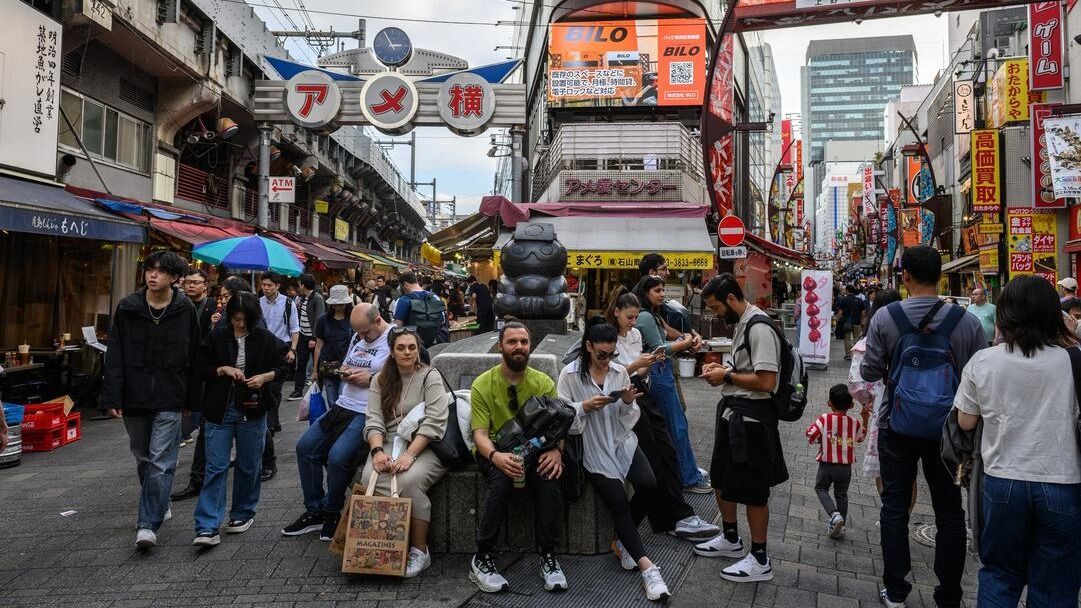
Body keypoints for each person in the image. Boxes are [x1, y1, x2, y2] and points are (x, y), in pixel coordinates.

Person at [860, 245, 986, 608]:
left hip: (896, 426)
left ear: (905, 277)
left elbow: (869, 371)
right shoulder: (967, 322)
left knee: (894, 506)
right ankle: (949, 595)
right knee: (949, 512)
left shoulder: (886, 317)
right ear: (942, 277)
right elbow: (977, 376)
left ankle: (896, 591)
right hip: (949, 431)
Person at [953, 275, 1081, 607]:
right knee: (1055, 585)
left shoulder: (985, 360)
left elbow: (965, 421)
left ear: (1004, 314)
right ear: (1054, 314)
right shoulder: (1074, 361)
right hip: (1063, 482)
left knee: (999, 576)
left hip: (1002, 480)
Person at [556, 318, 671, 601]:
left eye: (612, 354)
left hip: (621, 440)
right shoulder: (570, 375)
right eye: (602, 355)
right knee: (618, 500)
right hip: (593, 447)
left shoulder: (619, 372)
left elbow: (627, 418)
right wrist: (583, 407)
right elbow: (561, 416)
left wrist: (629, 402)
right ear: (588, 347)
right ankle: (648, 567)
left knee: (648, 483)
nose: (607, 361)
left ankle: (623, 540)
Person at [102, 250, 200, 549]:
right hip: (135, 394)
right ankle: (158, 502)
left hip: (171, 395)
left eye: (159, 271)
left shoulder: (185, 310)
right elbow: (115, 354)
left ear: (174, 277)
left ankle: (147, 524)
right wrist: (112, 395)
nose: (152, 275)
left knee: (161, 460)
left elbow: (194, 356)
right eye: (149, 270)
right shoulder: (128, 308)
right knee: (143, 457)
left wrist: (192, 399)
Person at [694, 274, 789, 583]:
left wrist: (727, 377)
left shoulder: (759, 327)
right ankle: (731, 538)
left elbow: (766, 381)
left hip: (752, 418)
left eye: (716, 307)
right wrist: (725, 371)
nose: (714, 313)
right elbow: (747, 370)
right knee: (721, 478)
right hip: (734, 411)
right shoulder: (743, 324)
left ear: (732, 300)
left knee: (753, 491)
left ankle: (760, 558)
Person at [605, 289, 719, 541]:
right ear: (616, 312)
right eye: (629, 317)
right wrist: (637, 365)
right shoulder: (608, 336)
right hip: (622, 398)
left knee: (667, 446)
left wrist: (651, 361)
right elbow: (609, 372)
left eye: (635, 317)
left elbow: (639, 367)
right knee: (653, 455)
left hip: (642, 389)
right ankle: (669, 518)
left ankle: (680, 514)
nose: (633, 322)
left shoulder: (635, 334)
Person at [468, 321, 566, 594]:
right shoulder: (483, 384)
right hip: (495, 450)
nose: (519, 347)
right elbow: (480, 434)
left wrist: (556, 451)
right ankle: (482, 556)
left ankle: (548, 556)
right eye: (512, 342)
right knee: (501, 481)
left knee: (550, 476)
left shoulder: (543, 381)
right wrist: (496, 456)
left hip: (536, 450)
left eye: (523, 341)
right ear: (501, 346)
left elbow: (557, 426)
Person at [283, 303, 392, 541]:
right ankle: (315, 510)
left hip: (366, 411)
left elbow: (410, 370)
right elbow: (345, 364)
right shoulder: (357, 337)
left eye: (365, 333)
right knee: (306, 447)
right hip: (342, 405)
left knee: (338, 457)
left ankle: (332, 511)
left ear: (377, 321)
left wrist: (372, 378)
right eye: (358, 333)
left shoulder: (394, 337)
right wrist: (345, 372)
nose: (362, 337)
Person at [192, 292, 289, 547]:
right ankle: (207, 525)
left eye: (245, 319)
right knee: (216, 466)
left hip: (253, 408)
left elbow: (285, 365)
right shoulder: (217, 337)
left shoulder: (265, 339)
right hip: (219, 409)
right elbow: (200, 368)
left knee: (248, 463)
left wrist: (265, 377)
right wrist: (222, 370)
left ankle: (243, 512)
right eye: (236, 319)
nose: (241, 324)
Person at [360, 327, 450, 578]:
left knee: (408, 482)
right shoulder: (380, 379)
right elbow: (374, 419)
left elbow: (435, 422)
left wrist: (410, 455)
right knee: (370, 478)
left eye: (412, 347)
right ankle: (384, 547)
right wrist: (377, 451)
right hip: (388, 441)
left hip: (425, 444)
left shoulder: (430, 376)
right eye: (401, 347)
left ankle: (419, 551)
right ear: (391, 351)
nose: (407, 352)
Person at [172, 277, 257, 502]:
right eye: (222, 296)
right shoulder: (217, 321)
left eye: (227, 296)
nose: (223, 300)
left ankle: (241, 503)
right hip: (216, 394)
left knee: (248, 452)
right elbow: (204, 357)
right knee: (214, 450)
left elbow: (272, 357)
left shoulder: (249, 325)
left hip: (241, 395)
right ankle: (202, 493)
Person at [631, 276, 709, 494]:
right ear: (646, 293)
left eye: (663, 289)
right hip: (658, 372)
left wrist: (688, 336)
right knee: (676, 425)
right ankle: (687, 477)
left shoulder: (653, 315)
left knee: (674, 424)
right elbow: (659, 348)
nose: (662, 294)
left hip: (658, 372)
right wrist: (684, 343)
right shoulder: (646, 316)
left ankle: (686, 471)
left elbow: (667, 333)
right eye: (657, 290)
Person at [806, 384, 865, 540]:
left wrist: (820, 438)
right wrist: (865, 418)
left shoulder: (824, 419)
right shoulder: (854, 423)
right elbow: (861, 437)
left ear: (829, 403)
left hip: (827, 465)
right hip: (845, 468)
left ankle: (834, 515)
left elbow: (810, 434)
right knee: (841, 495)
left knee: (821, 488)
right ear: (851, 405)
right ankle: (841, 525)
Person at [258, 272, 299, 481]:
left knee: (275, 389)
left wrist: (292, 349)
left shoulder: (288, 304)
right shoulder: (257, 304)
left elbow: (294, 328)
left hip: (281, 348)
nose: (266, 288)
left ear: (277, 285)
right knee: (267, 389)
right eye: (263, 284)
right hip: (263, 350)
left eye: (269, 285)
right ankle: (272, 422)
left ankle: (272, 423)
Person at [180, 268, 212, 445]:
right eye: (188, 282)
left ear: (205, 286)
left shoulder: (213, 306)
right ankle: (184, 432)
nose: (191, 285)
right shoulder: (177, 305)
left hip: (204, 366)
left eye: (195, 282)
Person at [310, 285, 353, 408]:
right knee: (331, 401)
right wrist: (314, 370)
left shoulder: (352, 319)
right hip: (327, 366)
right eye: (336, 304)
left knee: (343, 400)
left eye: (342, 304)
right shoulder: (323, 320)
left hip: (346, 366)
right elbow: (319, 345)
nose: (338, 307)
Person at [288, 274, 325, 401]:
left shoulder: (317, 298)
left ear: (303, 285)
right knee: (301, 363)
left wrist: (314, 338)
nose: (299, 286)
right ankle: (298, 390)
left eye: (300, 284)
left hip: (312, 338)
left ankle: (318, 390)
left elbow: (319, 319)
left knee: (316, 364)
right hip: (302, 335)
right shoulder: (302, 298)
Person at [393, 271, 447, 348]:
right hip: (433, 344)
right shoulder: (434, 297)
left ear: (405, 285)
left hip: (411, 346)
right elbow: (442, 321)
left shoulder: (403, 300)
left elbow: (398, 326)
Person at [833, 285, 864, 359]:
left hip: (846, 322)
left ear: (847, 290)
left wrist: (838, 318)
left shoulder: (844, 299)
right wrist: (862, 320)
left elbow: (840, 311)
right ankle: (857, 354)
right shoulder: (859, 300)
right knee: (856, 338)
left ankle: (848, 355)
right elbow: (863, 311)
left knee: (847, 339)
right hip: (857, 322)